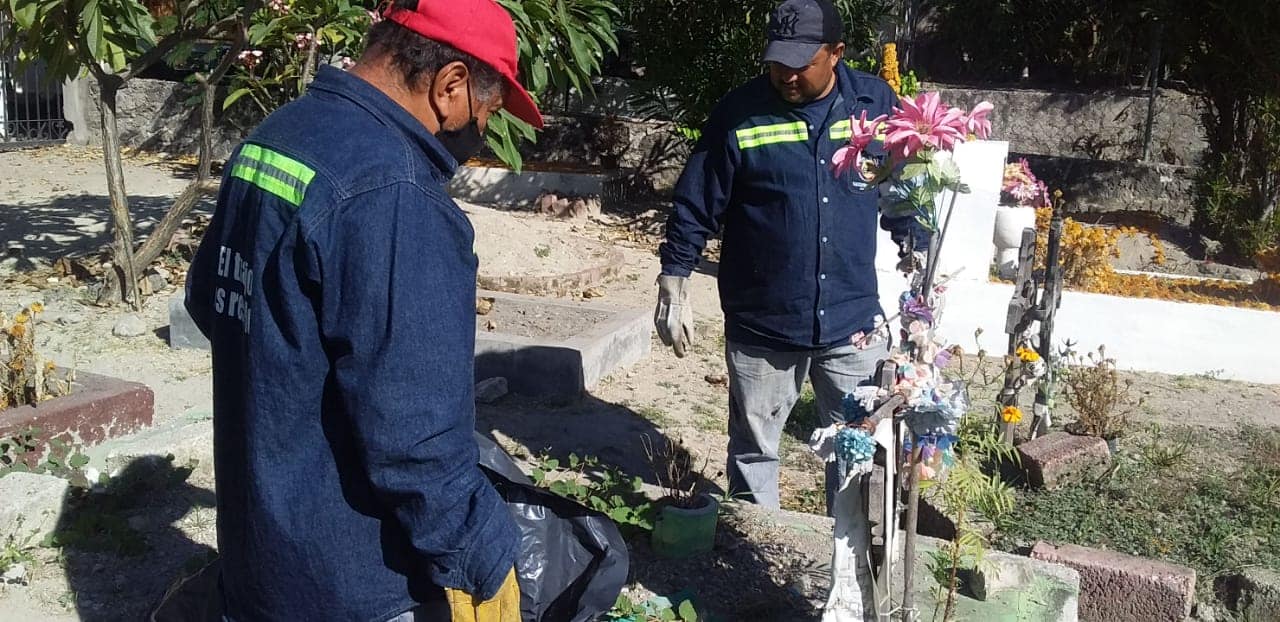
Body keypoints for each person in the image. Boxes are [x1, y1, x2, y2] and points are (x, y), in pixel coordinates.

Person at [184, 1, 542, 620]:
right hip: (354, 581)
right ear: (451, 85)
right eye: (486, 113)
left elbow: (206, 299)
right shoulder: (394, 193)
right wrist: (480, 557)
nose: (480, 132)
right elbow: (417, 431)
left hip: (260, 560)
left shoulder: (273, 139)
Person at [655, 0, 927, 513]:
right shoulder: (740, 112)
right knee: (755, 452)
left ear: (837, 53)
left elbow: (904, 190)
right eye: (778, 60)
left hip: (852, 323)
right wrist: (675, 277)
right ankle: (755, 556)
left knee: (861, 453)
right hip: (764, 324)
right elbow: (697, 200)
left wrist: (918, 253)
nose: (786, 74)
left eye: (801, 61)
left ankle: (849, 569)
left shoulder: (874, 105)